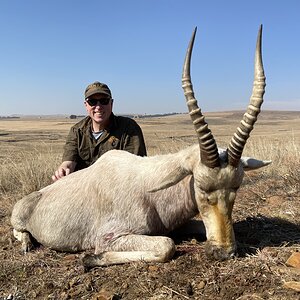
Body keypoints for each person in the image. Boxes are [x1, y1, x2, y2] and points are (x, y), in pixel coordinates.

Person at [52, 81, 147, 181]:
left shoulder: (128, 128)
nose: (98, 107)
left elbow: (136, 169)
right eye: (92, 102)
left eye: (104, 101)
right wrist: (63, 170)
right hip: (82, 189)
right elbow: (69, 161)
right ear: (86, 105)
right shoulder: (77, 131)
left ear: (111, 103)